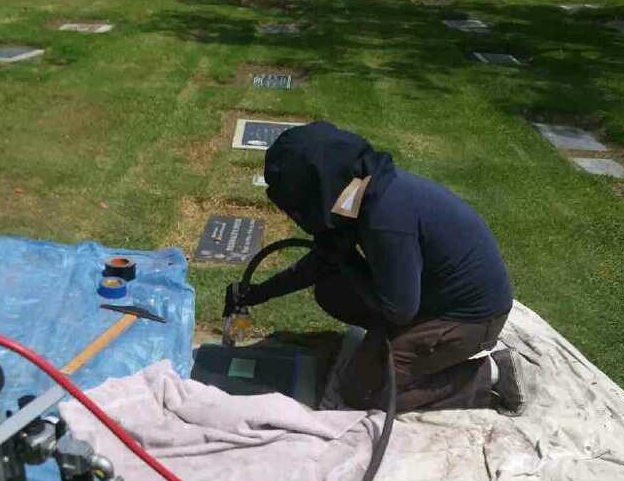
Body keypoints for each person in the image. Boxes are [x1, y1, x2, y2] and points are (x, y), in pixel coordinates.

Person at [225, 122, 528, 416]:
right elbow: (321, 261)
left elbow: (399, 310)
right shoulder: (357, 190)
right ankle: (396, 348)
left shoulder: (385, 217)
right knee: (331, 290)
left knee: (364, 391)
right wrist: (258, 294)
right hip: (428, 298)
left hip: (470, 317)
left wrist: (348, 259)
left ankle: (491, 376)